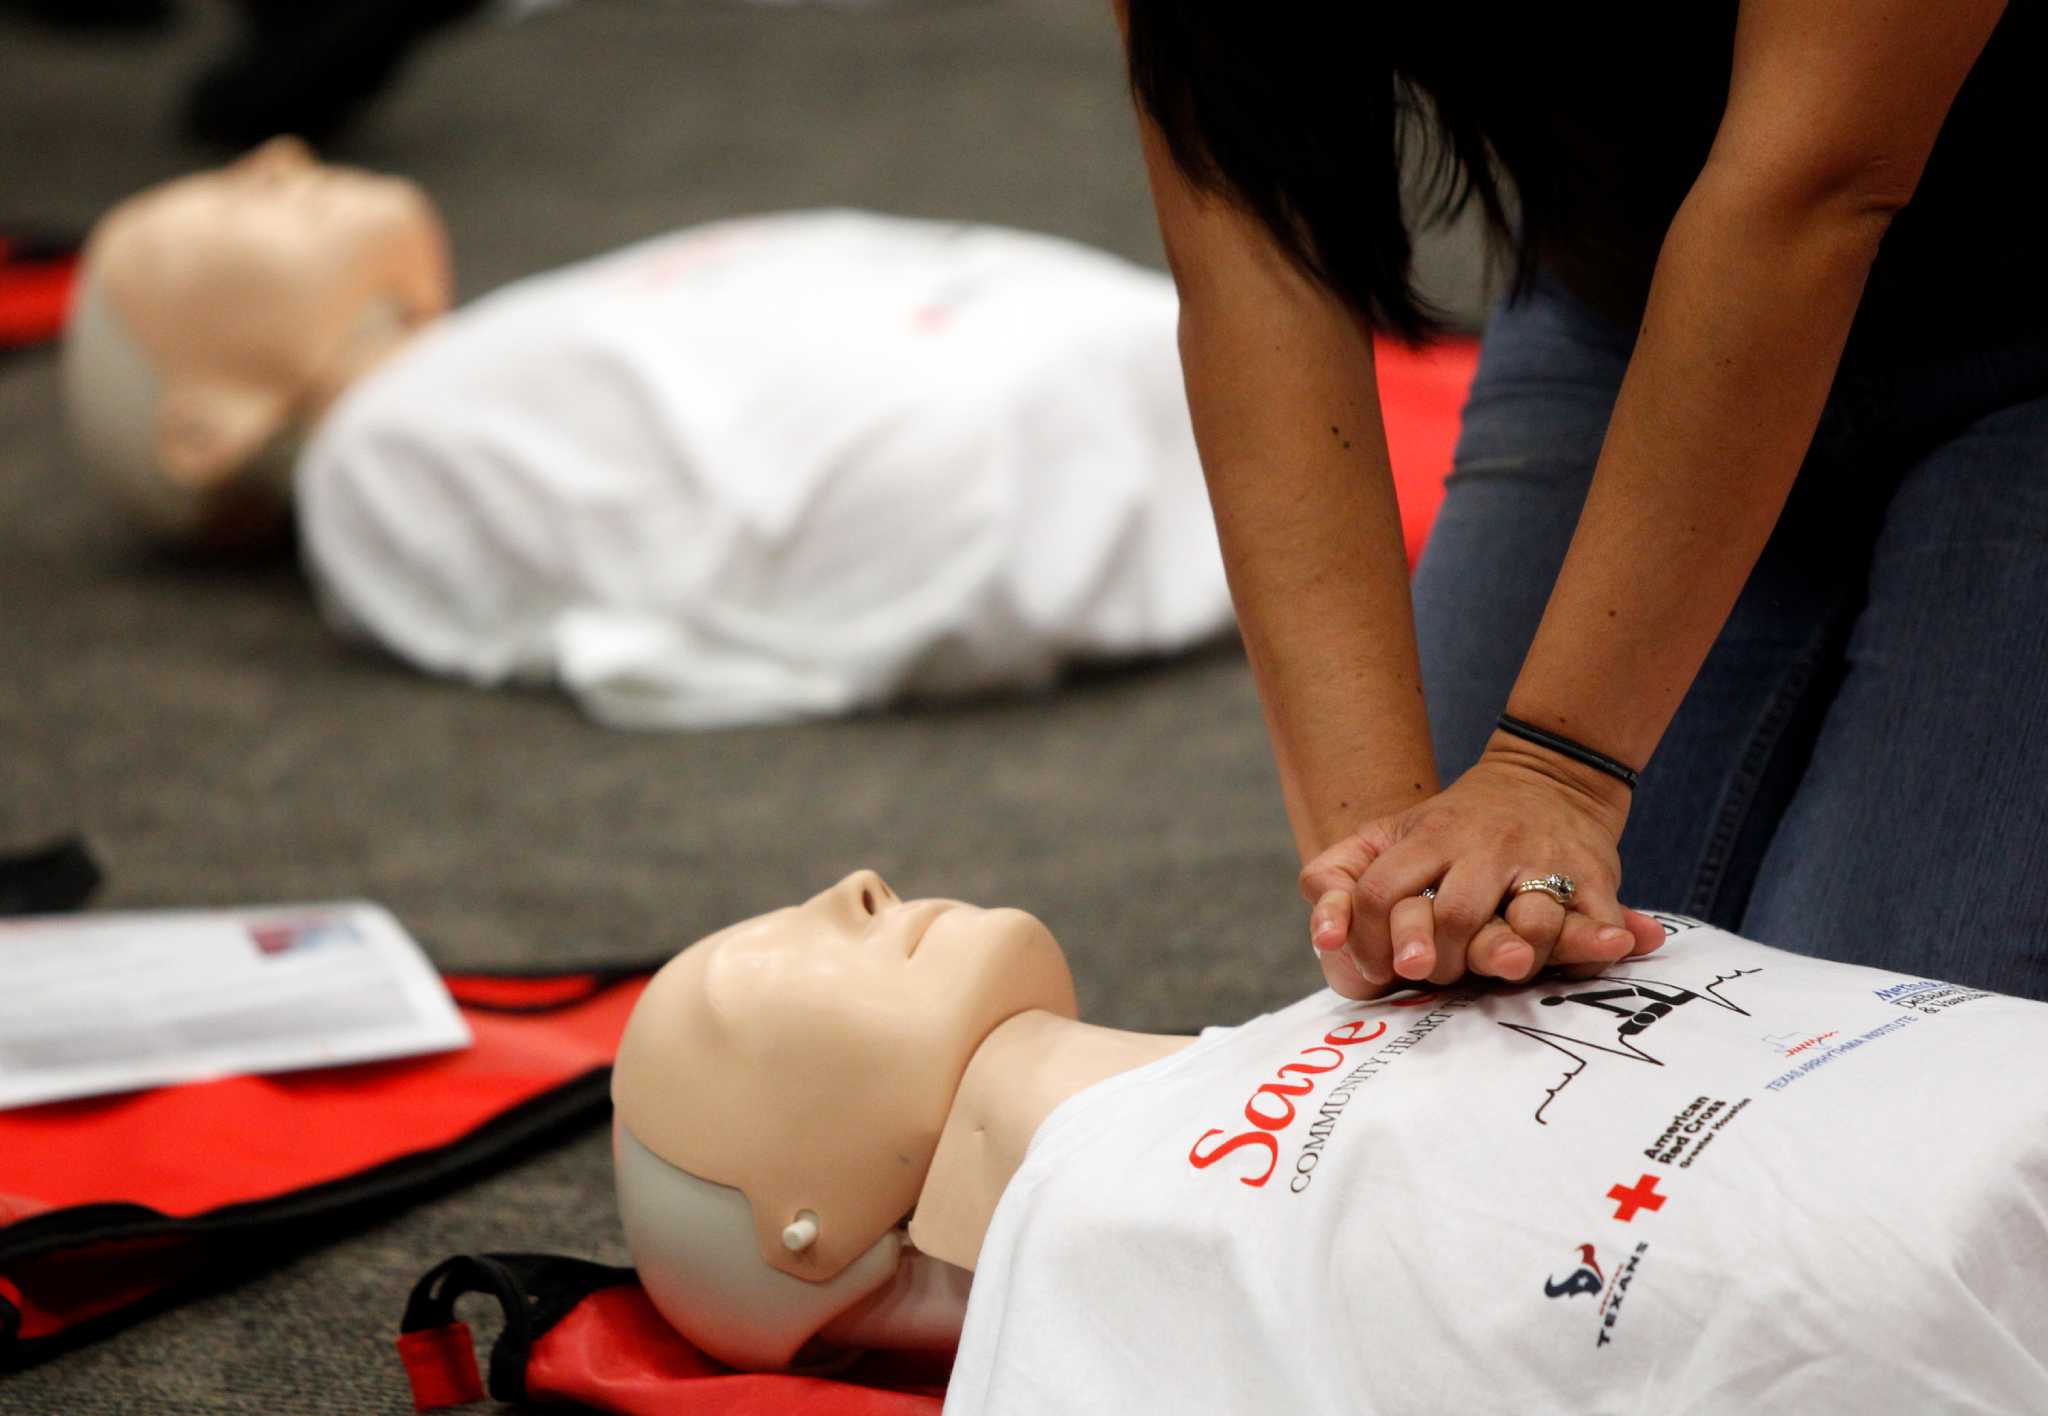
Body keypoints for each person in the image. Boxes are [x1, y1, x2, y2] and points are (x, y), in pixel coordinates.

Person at [1113, 5, 2048, 1004]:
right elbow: (1256, 246)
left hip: (2002, 308)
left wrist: (1552, 767)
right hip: (1630, 313)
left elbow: (1812, 185)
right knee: (1473, 1016)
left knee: (1883, 1041)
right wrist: (1389, 861)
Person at [611, 870, 2048, 1411]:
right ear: (799, 1229)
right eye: (754, 992)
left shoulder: (1310, 1013)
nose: (853, 885)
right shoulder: (1090, 1280)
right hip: (1925, 1275)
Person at [60, 140, 1232, 727]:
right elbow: (598, 607)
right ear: (203, 427)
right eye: (219, 210)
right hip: (997, 443)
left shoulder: (470, 362)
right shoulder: (375, 461)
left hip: (1053, 371)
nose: (274, 161)